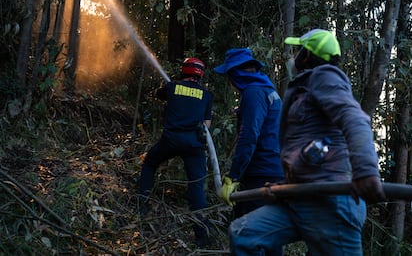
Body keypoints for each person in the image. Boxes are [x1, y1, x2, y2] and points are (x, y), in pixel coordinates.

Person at [228, 29, 386, 255]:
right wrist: (283, 186)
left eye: (299, 50)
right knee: (243, 234)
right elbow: (307, 148)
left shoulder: (326, 77)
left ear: (308, 56)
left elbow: (355, 118)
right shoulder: (305, 87)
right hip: (299, 198)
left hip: (330, 203)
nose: (294, 56)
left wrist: (366, 171)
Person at [138, 57, 213, 248]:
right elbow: (207, 125)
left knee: (150, 163)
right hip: (195, 146)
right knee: (197, 187)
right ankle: (202, 236)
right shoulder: (206, 95)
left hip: (170, 140)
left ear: (184, 70)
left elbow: (159, 94)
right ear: (200, 74)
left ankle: (142, 207)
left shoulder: (172, 87)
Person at [214, 48, 285, 218]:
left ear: (235, 74)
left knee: (246, 232)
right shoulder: (266, 89)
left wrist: (234, 176)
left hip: (261, 174)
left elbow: (249, 136)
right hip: (274, 171)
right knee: (265, 235)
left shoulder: (253, 93)